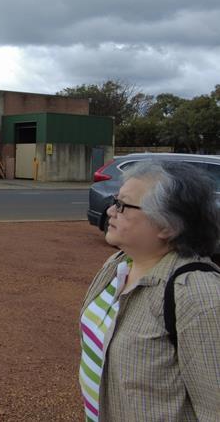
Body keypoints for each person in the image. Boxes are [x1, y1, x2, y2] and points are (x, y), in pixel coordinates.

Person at [79, 160, 220, 421]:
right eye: (114, 200)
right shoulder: (119, 265)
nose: (111, 210)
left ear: (168, 226)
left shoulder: (199, 296)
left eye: (123, 205)